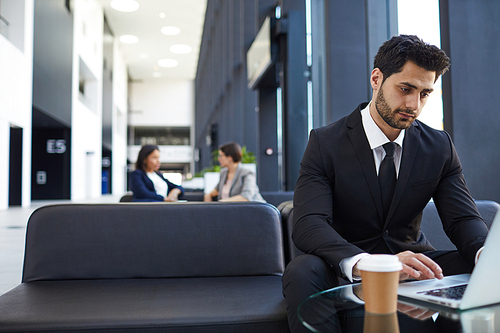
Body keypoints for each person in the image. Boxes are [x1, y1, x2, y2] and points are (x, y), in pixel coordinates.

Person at [282, 35, 489, 333]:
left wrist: (485, 256)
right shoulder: (325, 142)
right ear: (376, 78)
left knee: (483, 269)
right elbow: (308, 224)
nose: (413, 104)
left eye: (424, 94)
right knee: (301, 270)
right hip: (346, 266)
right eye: (405, 89)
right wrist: (370, 263)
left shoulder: (439, 146)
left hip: (412, 259)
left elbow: (463, 218)